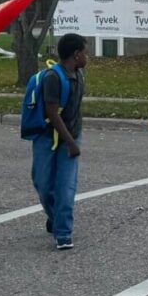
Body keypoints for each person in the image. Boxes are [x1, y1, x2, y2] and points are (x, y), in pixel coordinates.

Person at [31, 33, 88, 251]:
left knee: (65, 186)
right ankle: (54, 216)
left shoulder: (80, 73)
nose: (87, 57)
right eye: (85, 53)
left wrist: (73, 139)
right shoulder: (53, 78)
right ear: (76, 55)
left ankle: (63, 232)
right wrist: (71, 142)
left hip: (71, 136)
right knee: (43, 183)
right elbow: (52, 114)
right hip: (47, 137)